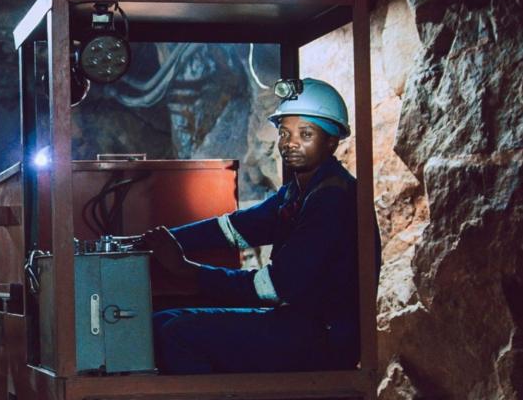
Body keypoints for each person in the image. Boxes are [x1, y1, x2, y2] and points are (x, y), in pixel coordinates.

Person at [138, 78, 379, 374]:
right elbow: (237, 228)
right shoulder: (299, 191)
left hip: (323, 338)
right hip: (299, 324)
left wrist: (188, 271)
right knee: (157, 324)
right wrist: (151, 242)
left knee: (177, 333)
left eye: (305, 134)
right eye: (284, 132)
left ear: (332, 141)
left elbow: (274, 288)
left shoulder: (332, 200)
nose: (290, 143)